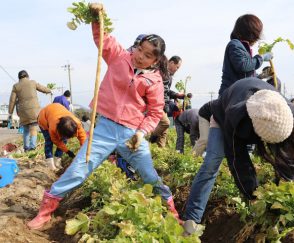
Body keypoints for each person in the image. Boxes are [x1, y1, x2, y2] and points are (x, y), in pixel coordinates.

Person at [27, 3, 180, 230]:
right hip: (105, 128)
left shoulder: (155, 81)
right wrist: (97, 15)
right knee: (79, 169)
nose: (140, 57)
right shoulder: (119, 56)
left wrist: (141, 132)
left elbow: (156, 112)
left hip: (131, 133)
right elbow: (102, 37)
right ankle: (45, 211)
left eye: (147, 56)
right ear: (136, 46)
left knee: (149, 174)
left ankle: (172, 213)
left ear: (155, 61)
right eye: (140, 50)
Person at [183, 78, 294, 235]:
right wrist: (254, 195)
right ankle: (192, 219)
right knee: (212, 162)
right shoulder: (235, 117)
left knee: (287, 161)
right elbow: (238, 160)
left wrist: (291, 189)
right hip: (222, 117)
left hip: (270, 120)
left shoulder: (288, 113)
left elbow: (293, 155)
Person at [218, 14, 273, 96]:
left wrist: (261, 76)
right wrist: (261, 57)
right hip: (231, 95)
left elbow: (245, 77)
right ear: (249, 33)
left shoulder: (243, 48)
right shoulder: (235, 44)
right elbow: (243, 66)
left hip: (240, 92)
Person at [8, 70, 51, 152]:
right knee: (33, 129)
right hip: (34, 112)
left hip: (23, 112)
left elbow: (12, 101)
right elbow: (42, 88)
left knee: (26, 130)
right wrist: (49, 90)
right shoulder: (33, 83)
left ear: (19, 77)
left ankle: (26, 148)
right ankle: (32, 147)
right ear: (27, 76)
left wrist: (10, 112)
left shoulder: (16, 86)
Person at [38, 103, 87, 170]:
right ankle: (50, 164)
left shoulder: (77, 124)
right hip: (43, 118)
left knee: (64, 140)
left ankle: (57, 161)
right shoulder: (53, 128)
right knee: (49, 141)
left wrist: (84, 153)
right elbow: (56, 141)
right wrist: (67, 151)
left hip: (56, 110)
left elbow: (83, 138)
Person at [149, 56, 184, 147]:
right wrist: (165, 104)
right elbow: (162, 91)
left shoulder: (168, 75)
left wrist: (176, 95)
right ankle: (150, 140)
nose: (177, 70)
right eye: (177, 67)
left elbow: (167, 91)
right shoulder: (162, 73)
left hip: (163, 104)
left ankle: (160, 153)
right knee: (165, 123)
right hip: (158, 104)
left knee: (164, 133)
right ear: (171, 63)